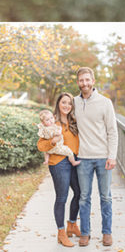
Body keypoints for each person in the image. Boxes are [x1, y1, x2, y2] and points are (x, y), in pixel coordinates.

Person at [74, 66, 118, 247]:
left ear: (93, 81)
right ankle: (85, 233)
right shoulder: (74, 102)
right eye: (81, 80)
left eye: (87, 80)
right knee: (84, 197)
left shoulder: (105, 102)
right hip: (82, 158)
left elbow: (112, 132)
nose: (84, 83)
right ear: (78, 82)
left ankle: (107, 232)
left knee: (105, 197)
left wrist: (112, 156)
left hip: (103, 158)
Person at [37, 92, 82, 248]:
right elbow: (40, 145)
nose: (67, 106)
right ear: (58, 104)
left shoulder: (75, 121)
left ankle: (71, 225)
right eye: (64, 102)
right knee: (62, 197)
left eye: (69, 103)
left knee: (79, 193)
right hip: (59, 164)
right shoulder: (51, 122)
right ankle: (61, 233)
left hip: (74, 160)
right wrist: (52, 141)